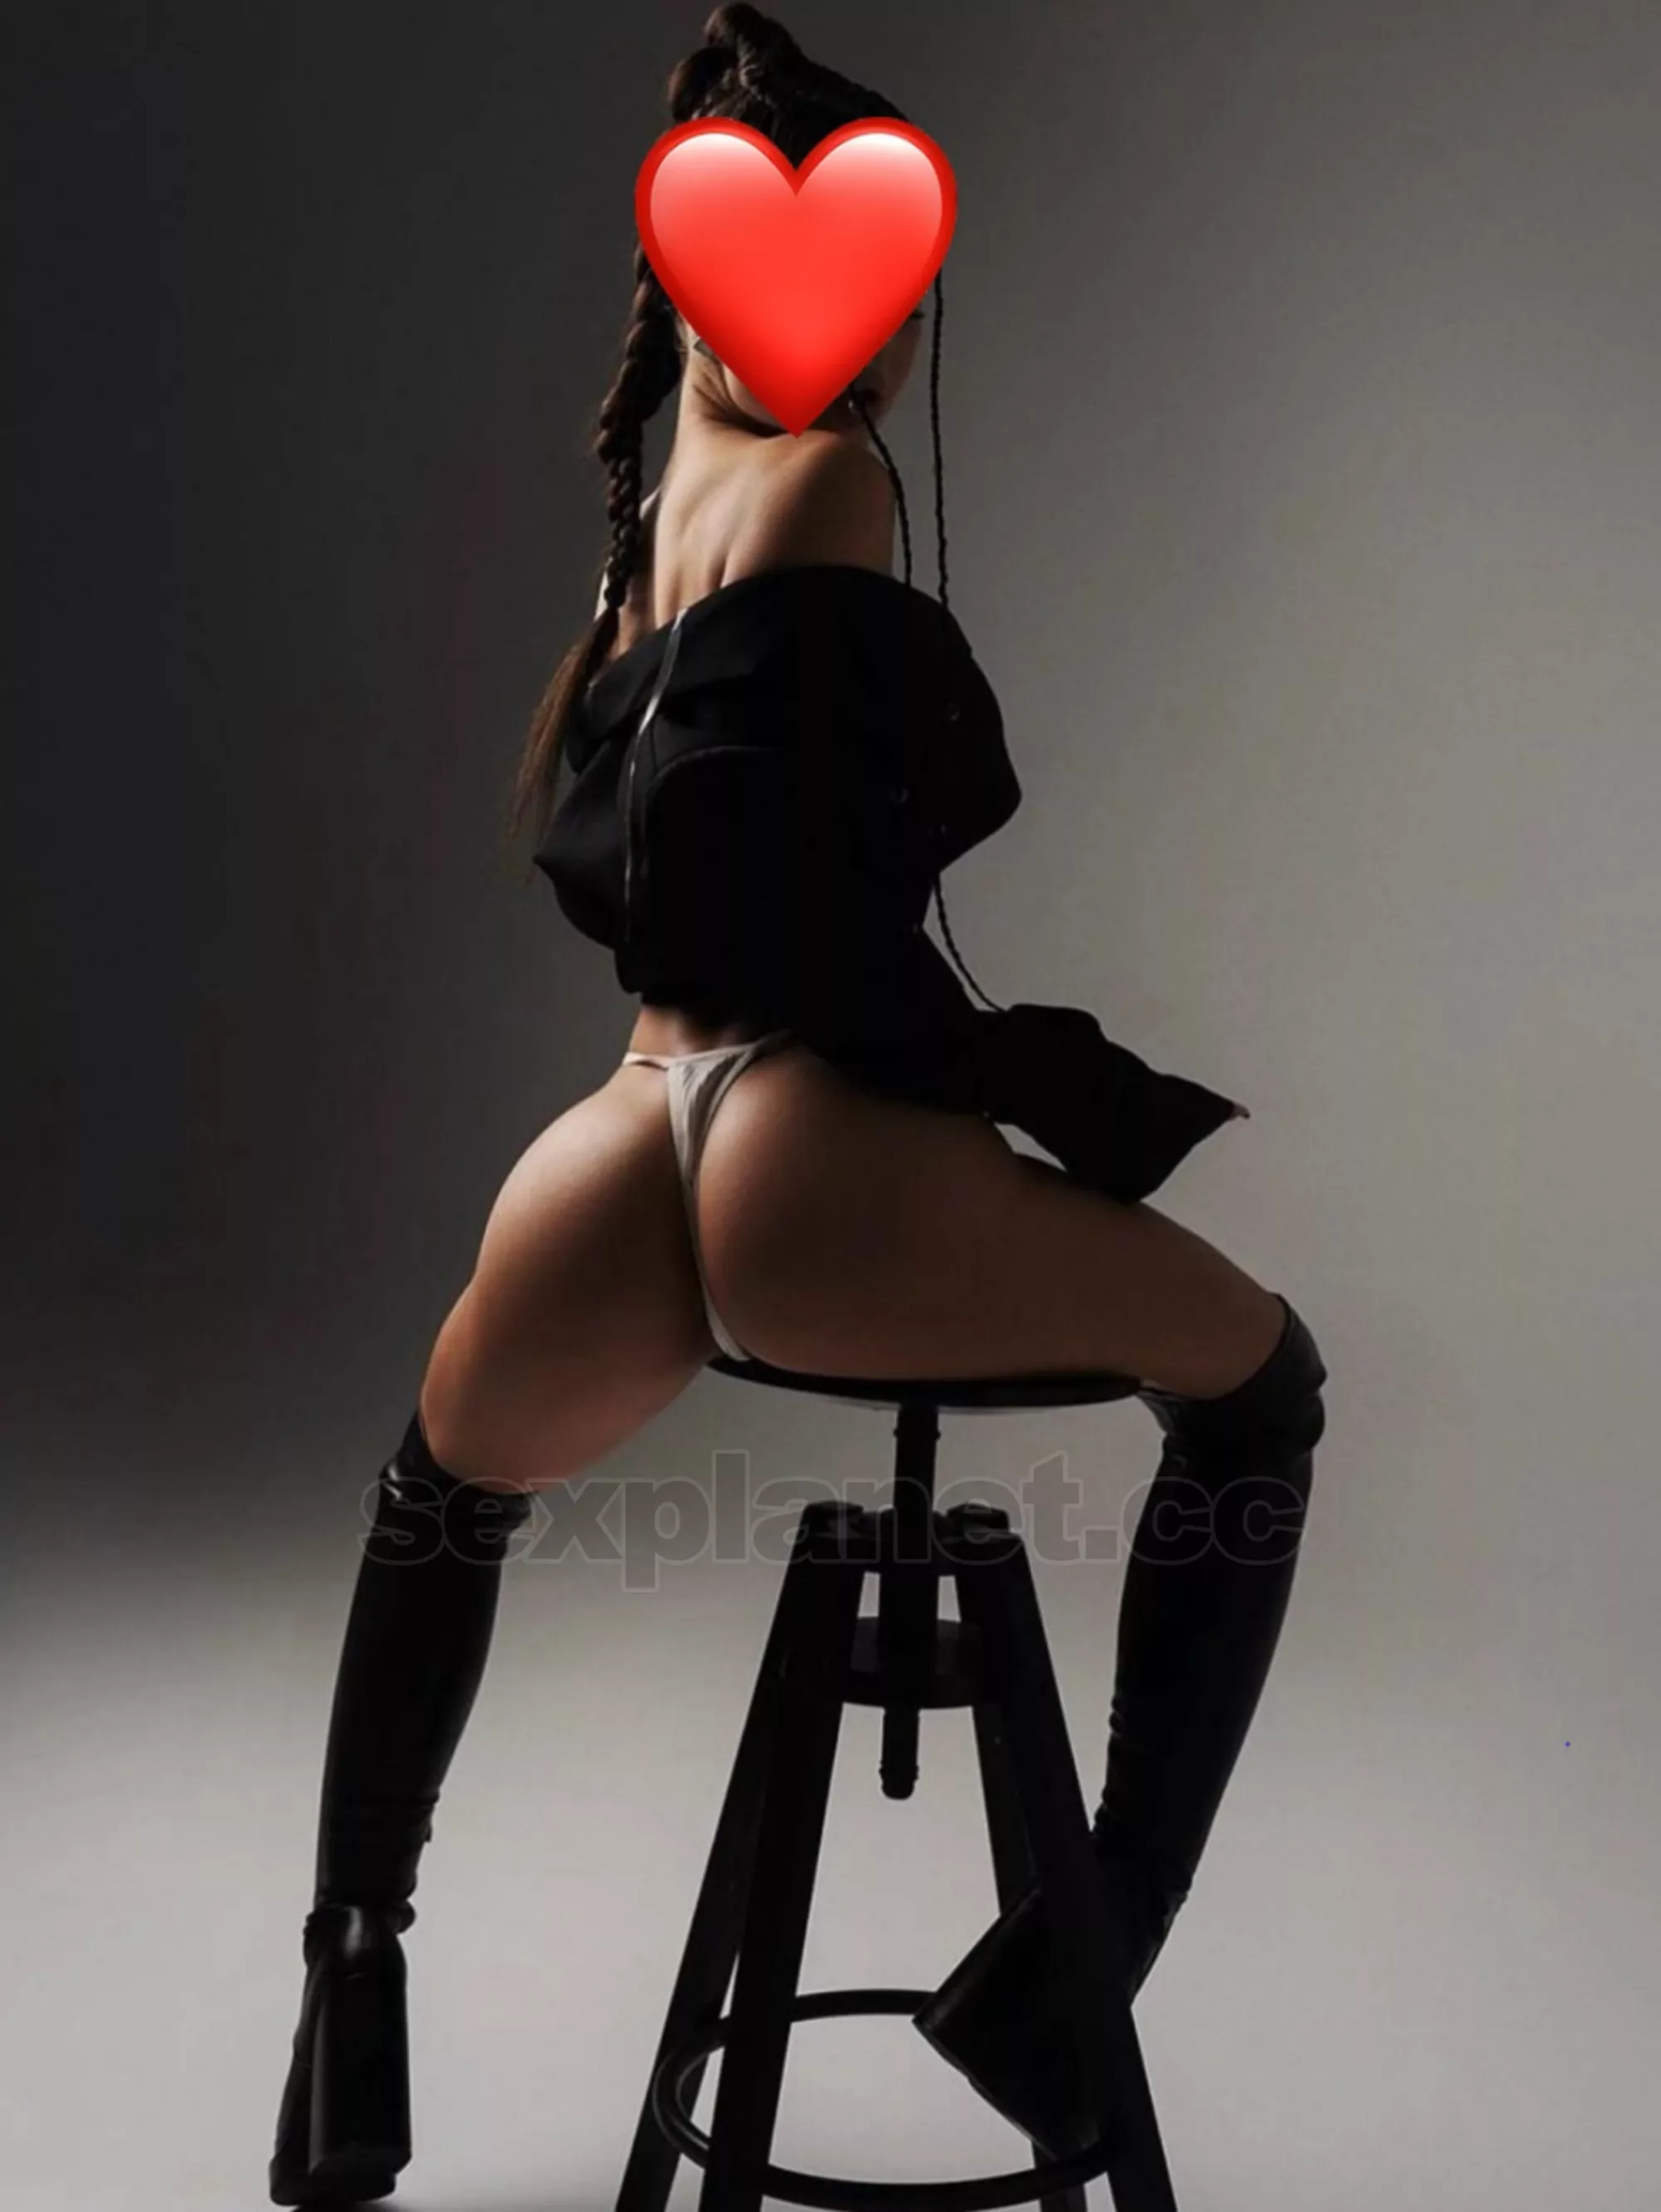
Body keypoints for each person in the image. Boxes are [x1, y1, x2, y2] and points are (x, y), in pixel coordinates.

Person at [268, 5, 1330, 2198]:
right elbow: (802, 902)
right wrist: (1009, 1086)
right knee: (1261, 1387)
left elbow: (656, 865)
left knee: (442, 1488)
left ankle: (350, 1972)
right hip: (791, 1142)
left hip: (617, 1134)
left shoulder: (658, 491)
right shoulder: (834, 478)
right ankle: (1074, 1979)